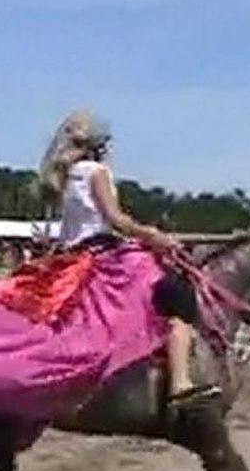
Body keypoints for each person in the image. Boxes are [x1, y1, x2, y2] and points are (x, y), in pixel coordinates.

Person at [38, 109, 221, 408]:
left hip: (70, 255)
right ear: (101, 145)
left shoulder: (68, 175)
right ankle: (179, 382)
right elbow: (114, 218)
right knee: (178, 292)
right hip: (100, 253)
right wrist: (152, 236)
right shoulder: (97, 172)